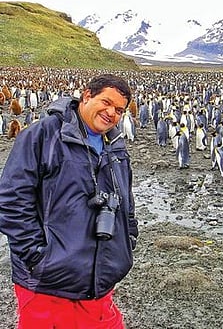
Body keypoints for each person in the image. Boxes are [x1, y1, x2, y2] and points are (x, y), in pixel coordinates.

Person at [0, 73, 139, 328]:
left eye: (119, 110)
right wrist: (37, 257)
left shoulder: (116, 145)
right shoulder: (43, 135)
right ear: (87, 95)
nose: (111, 113)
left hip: (98, 285)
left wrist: (127, 240)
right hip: (48, 287)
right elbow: (11, 201)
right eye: (106, 102)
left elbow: (126, 203)